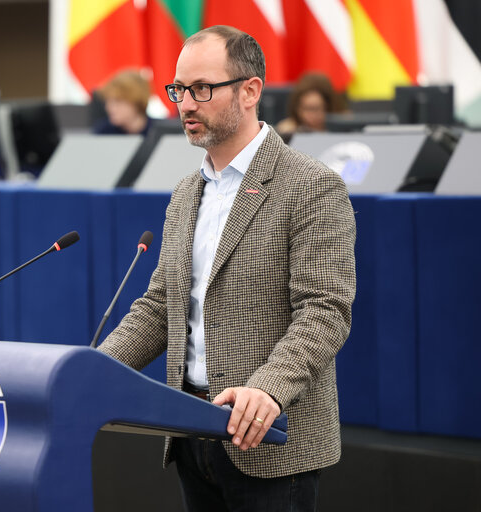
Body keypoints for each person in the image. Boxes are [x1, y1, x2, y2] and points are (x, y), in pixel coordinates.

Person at [96, 25, 356, 511]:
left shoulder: (312, 186)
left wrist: (267, 390)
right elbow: (160, 306)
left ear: (250, 91)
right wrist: (92, 370)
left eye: (201, 89)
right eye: (178, 90)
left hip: (270, 439)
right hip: (191, 428)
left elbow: (325, 312)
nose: (185, 105)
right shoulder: (185, 193)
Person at [275, 72, 346, 137]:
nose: (311, 116)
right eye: (306, 109)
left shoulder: (345, 126)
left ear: (328, 107)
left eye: (316, 109)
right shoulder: (288, 130)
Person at [93, 70, 153, 136]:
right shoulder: (103, 131)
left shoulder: (161, 131)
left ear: (136, 103)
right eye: (108, 101)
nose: (108, 107)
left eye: (118, 102)